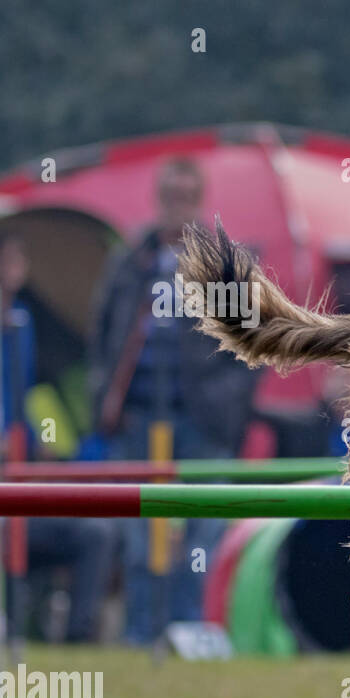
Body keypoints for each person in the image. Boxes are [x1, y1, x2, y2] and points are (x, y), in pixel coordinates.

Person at [88, 157, 258, 644]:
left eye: (187, 197)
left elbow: (249, 348)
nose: (177, 207)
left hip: (204, 422)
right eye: (170, 197)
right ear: (158, 199)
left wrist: (226, 406)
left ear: (199, 201)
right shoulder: (130, 260)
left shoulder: (224, 263)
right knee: (141, 539)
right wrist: (104, 395)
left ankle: (190, 638)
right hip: (139, 418)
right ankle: (141, 640)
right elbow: (101, 336)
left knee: (201, 538)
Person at [0, 234, 115, 644]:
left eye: (16, 258)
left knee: (96, 533)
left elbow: (27, 415)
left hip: (22, 487)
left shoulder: (23, 325)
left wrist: (45, 449)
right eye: (9, 258)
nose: (16, 267)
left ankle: (78, 643)